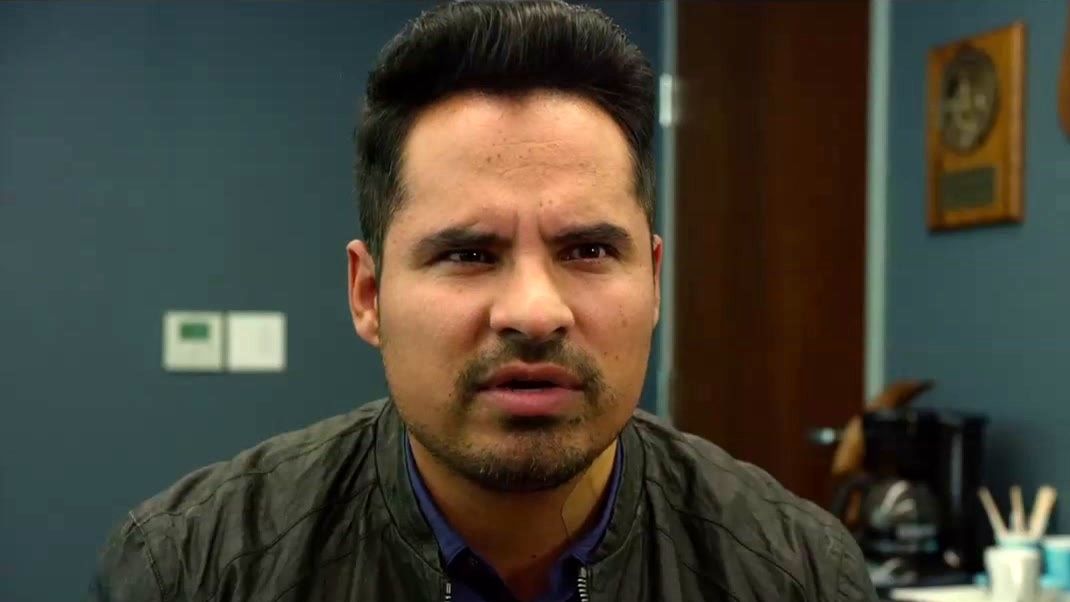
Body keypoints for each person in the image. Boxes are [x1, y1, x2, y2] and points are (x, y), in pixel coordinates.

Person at [88, 1, 876, 600]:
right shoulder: (192, 569)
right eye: (468, 254)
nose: (534, 311)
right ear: (369, 294)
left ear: (655, 280)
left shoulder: (796, 572)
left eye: (588, 251)